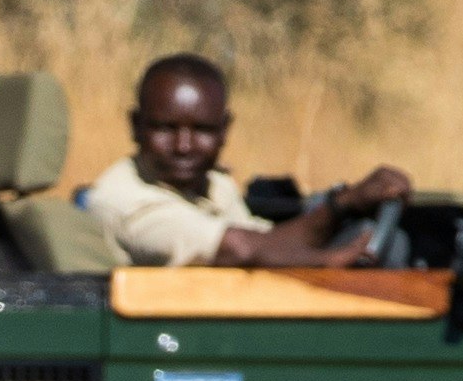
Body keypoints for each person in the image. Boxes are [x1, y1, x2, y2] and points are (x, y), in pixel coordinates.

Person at [75, 53, 410, 270]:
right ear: (136, 126)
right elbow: (239, 250)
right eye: (165, 128)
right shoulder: (121, 199)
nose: (184, 146)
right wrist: (328, 257)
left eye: (202, 130)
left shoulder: (212, 184)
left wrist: (345, 205)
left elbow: (271, 245)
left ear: (224, 130)